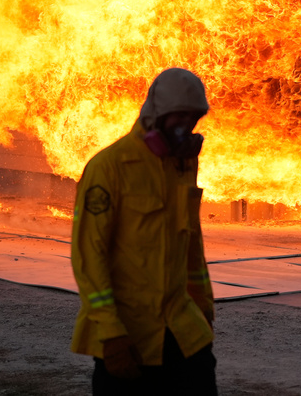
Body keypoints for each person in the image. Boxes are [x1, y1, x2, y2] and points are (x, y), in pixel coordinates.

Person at [70, 68, 217, 395]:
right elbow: (88, 255)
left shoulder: (183, 165)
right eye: (179, 117)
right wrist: (111, 332)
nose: (186, 128)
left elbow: (191, 241)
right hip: (129, 336)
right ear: (156, 115)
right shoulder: (109, 167)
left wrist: (203, 306)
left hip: (182, 329)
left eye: (193, 119)